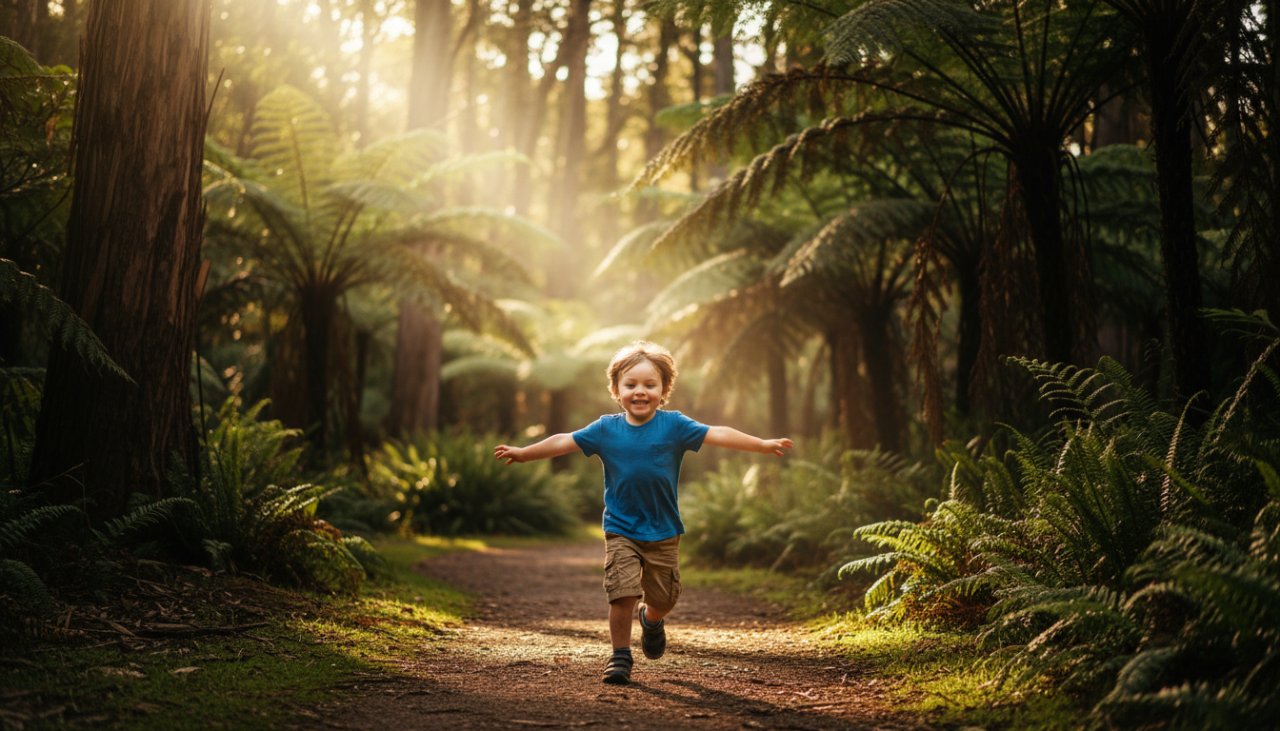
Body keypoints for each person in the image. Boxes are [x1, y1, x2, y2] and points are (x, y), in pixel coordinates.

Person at [493, 340, 792, 685]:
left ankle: (651, 619)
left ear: (663, 390)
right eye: (631, 384)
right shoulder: (605, 429)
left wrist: (761, 444)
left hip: (664, 531)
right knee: (622, 593)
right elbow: (564, 440)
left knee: (664, 598)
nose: (640, 391)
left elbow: (717, 433)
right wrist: (524, 453)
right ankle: (620, 656)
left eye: (650, 384)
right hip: (621, 528)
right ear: (616, 390)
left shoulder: (674, 425)